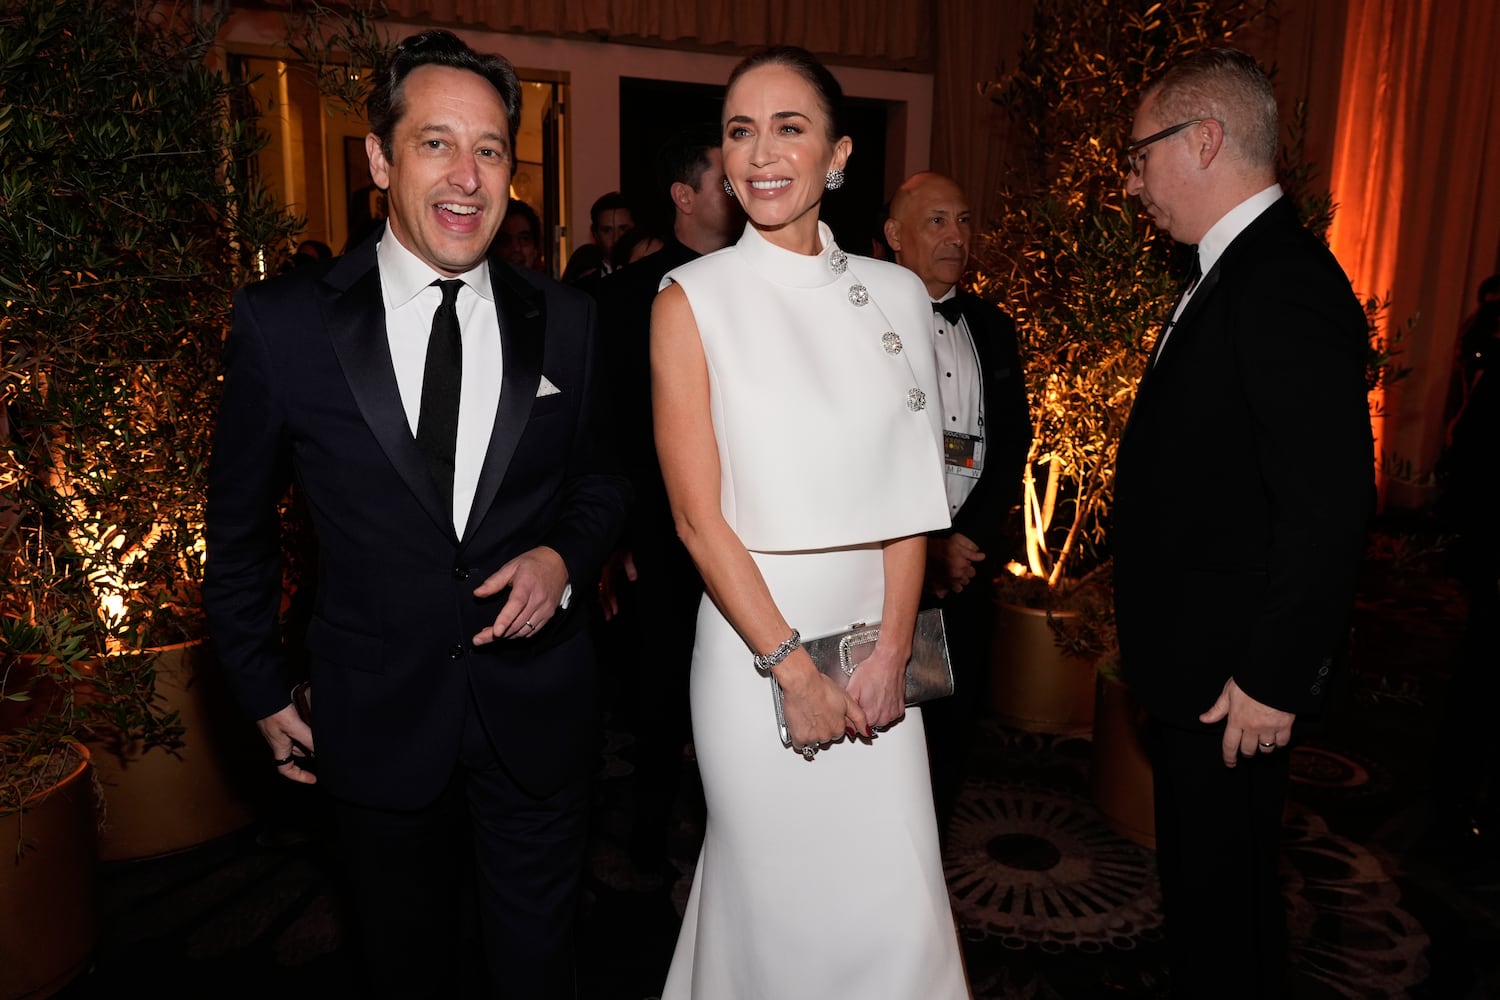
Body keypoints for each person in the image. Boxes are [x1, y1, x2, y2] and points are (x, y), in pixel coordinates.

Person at [202, 29, 628, 1000]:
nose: (468, 175)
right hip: (375, 718)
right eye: (436, 142)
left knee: (538, 968)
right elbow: (237, 527)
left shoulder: (569, 318)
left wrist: (565, 556)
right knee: (403, 968)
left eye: (490, 149)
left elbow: (606, 480)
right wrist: (263, 689)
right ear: (380, 158)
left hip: (540, 716)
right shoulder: (285, 323)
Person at [651, 45, 970, 998]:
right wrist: (790, 668)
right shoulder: (691, 300)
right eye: (740, 130)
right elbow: (697, 519)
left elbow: (915, 499)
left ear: (837, 155)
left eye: (788, 126)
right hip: (757, 654)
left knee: (895, 904)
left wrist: (891, 650)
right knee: (777, 906)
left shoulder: (902, 295)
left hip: (880, 648)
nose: (759, 152)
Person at [1112, 48, 1374, 999]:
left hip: (1236, 686)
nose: (1134, 182)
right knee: (1208, 895)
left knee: (1226, 910)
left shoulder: (1280, 282)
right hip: (1200, 667)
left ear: (1206, 139)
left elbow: (1330, 505)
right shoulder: (1229, 271)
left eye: (1140, 155)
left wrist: (1272, 678)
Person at [591, 122, 742, 878]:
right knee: (659, 708)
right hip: (660, 537)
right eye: (724, 175)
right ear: (684, 196)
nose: (743, 182)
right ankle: (648, 859)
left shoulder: (769, 279)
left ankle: (739, 855)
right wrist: (612, 542)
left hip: (759, 541)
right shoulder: (626, 300)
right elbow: (608, 427)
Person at [883, 171, 1031, 841]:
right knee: (887, 728)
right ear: (895, 236)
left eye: (964, 221)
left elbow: (1011, 439)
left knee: (954, 725)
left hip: (968, 566)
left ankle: (930, 862)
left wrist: (966, 539)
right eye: (937, 220)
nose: (956, 236)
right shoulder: (865, 323)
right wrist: (927, 545)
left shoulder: (993, 326)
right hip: (889, 570)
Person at [560, 190, 636, 286]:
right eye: (607, 230)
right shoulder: (585, 278)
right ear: (595, 233)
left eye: (623, 229)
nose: (616, 238)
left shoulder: (649, 270)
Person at [490, 197, 547, 274]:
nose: (516, 248)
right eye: (506, 240)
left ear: (535, 250)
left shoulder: (548, 285)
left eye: (524, 239)